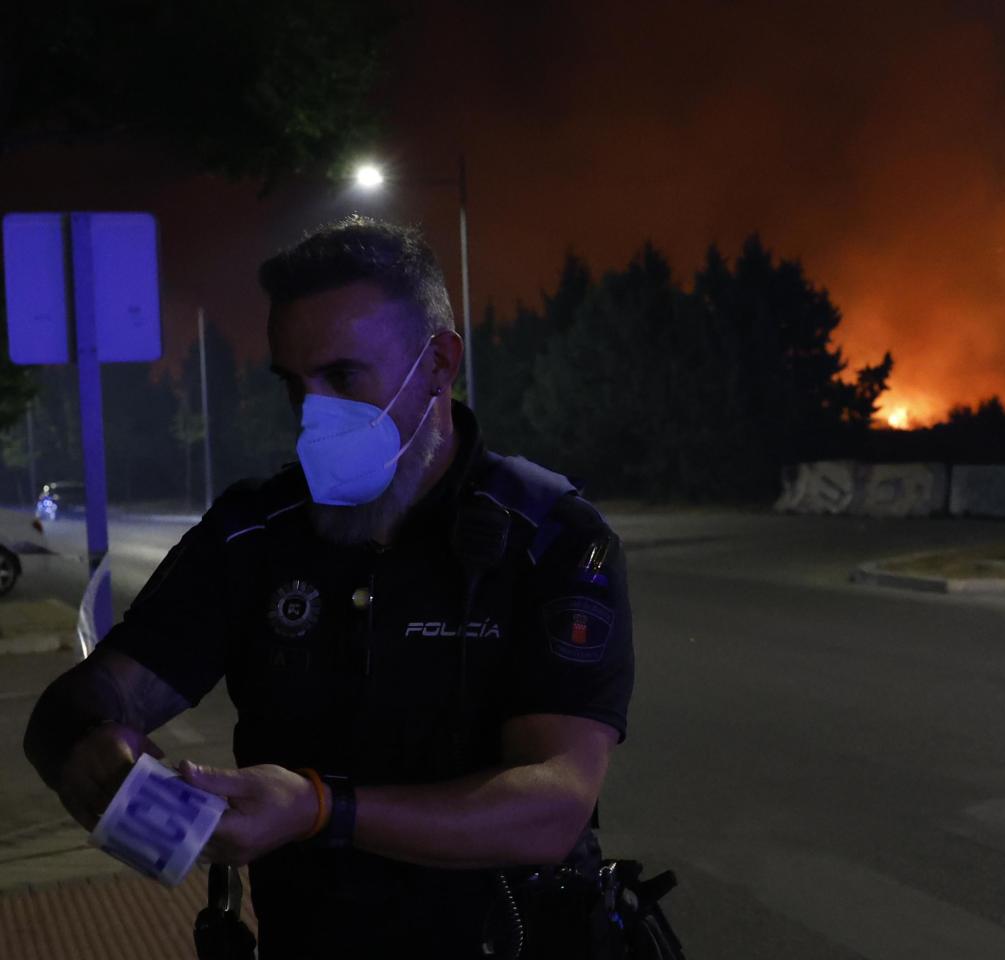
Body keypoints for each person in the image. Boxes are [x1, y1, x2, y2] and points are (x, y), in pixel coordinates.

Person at [22, 216, 635, 958]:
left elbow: (552, 807)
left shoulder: (553, 537)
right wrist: (94, 750)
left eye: (343, 377)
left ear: (438, 364)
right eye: (294, 384)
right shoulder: (255, 533)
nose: (313, 415)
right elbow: (88, 701)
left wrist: (319, 810)